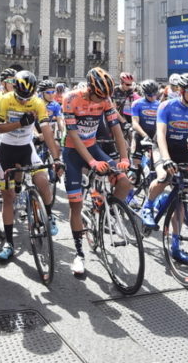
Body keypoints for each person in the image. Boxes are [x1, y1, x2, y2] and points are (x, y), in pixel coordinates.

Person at [138, 74, 188, 264]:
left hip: (181, 150)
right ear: (181, 91)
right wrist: (165, 159)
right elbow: (161, 135)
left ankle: (175, 245)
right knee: (165, 175)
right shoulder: (167, 106)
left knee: (182, 197)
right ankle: (147, 206)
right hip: (161, 147)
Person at [61, 68, 132, 276]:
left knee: (125, 183)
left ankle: (104, 215)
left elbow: (116, 129)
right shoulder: (71, 98)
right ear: (90, 88)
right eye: (97, 96)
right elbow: (73, 134)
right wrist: (91, 162)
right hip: (73, 151)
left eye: (104, 97)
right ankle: (79, 254)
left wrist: (124, 157)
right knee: (76, 205)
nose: (99, 101)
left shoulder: (105, 99)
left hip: (93, 146)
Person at [0, 71, 61, 262]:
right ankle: (8, 242)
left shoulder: (37, 102)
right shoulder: (5, 100)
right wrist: (19, 123)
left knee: (43, 181)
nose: (23, 101)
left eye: (27, 98)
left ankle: (49, 215)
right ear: (15, 89)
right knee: (8, 197)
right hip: (6, 149)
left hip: (26, 148)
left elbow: (46, 129)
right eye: (21, 97)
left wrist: (56, 158)